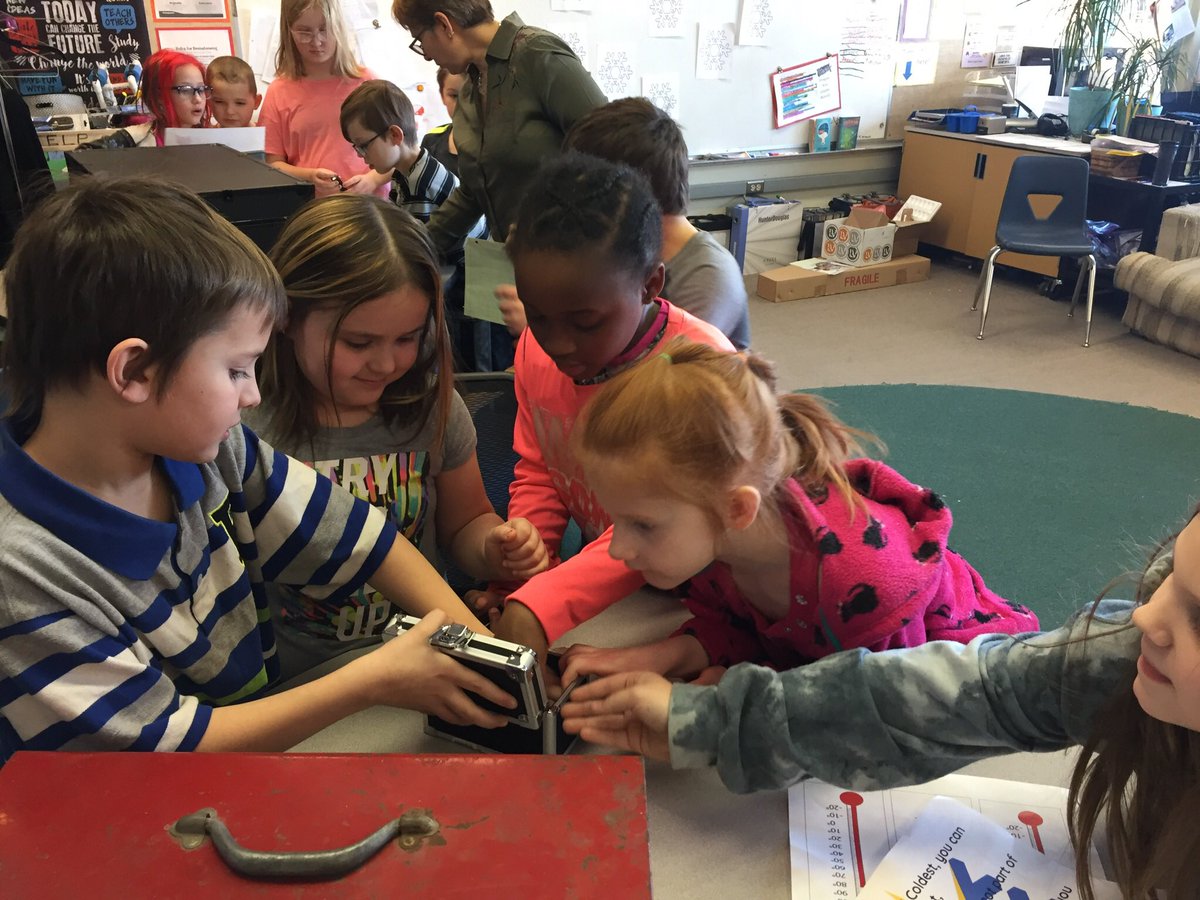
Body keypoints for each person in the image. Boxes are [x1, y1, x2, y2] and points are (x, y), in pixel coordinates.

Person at [0, 176, 518, 762]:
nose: (251, 396)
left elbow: (367, 541)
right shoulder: (22, 575)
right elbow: (169, 750)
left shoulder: (215, 450)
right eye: (237, 370)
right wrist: (374, 680)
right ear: (135, 372)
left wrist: (484, 655)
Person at [559, 518, 1200, 900]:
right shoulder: (1127, 654)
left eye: (1197, 617)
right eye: (1170, 577)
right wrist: (713, 721)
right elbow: (955, 693)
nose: (1147, 614)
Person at [557, 338, 1038, 686]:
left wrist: (718, 709)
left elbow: (890, 713)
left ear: (735, 508)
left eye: (642, 524)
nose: (618, 548)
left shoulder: (857, 581)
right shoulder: (716, 542)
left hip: (965, 670)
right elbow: (737, 627)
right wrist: (661, 656)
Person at [245, 194, 546, 678]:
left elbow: (464, 524)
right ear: (287, 317)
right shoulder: (247, 426)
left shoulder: (431, 409)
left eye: (407, 338)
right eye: (358, 342)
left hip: (427, 668)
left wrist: (494, 545)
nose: (387, 364)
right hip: (303, 683)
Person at [481, 153, 734, 667]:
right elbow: (540, 469)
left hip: (714, 601)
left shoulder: (699, 371)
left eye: (585, 322)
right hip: (621, 575)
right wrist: (528, 558)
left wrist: (545, 601)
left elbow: (664, 525)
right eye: (537, 315)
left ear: (651, 285)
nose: (556, 343)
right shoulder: (536, 347)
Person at [392, 0, 607, 257]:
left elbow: (613, 147)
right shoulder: (472, 88)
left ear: (443, 24)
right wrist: (415, 250)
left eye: (419, 39)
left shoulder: (537, 53)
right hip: (521, 260)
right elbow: (476, 191)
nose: (426, 54)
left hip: (576, 256)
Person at [564, 98, 751, 350]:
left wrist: (556, 332)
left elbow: (659, 376)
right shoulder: (625, 253)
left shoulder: (707, 275)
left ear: (628, 194)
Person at [339, 78, 490, 373]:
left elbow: (416, 252)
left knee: (470, 362)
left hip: (473, 280)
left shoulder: (421, 185)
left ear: (394, 135)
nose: (360, 155)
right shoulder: (406, 173)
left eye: (363, 145)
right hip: (455, 270)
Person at [261, 0, 388, 198]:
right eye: (304, 32)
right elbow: (271, 164)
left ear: (338, 26)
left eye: (324, 29)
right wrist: (309, 177)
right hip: (314, 210)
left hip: (370, 206)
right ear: (289, 32)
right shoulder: (279, 91)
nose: (316, 41)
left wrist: (373, 179)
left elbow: (402, 149)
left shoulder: (367, 82)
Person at [140, 49, 209, 146]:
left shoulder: (215, 139)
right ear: (158, 96)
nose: (198, 99)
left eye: (201, 89)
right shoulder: (134, 142)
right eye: (185, 90)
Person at [420, 66, 466, 175]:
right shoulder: (431, 141)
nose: (462, 104)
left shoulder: (499, 144)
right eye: (454, 96)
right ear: (442, 95)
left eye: (470, 95)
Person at [206, 55, 263, 128]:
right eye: (219, 102)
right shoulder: (203, 137)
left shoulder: (268, 136)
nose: (229, 111)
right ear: (208, 100)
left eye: (240, 103)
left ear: (256, 102)